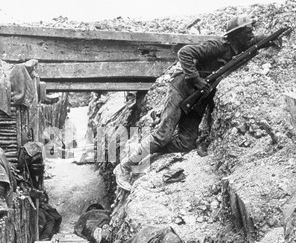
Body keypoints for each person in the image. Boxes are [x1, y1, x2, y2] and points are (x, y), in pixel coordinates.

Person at [114, 16, 280, 191]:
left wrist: (273, 37)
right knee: (162, 136)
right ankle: (125, 167)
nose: (251, 34)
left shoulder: (240, 47)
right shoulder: (218, 47)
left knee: (186, 143)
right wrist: (195, 78)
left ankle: (144, 149)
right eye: (248, 31)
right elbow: (184, 53)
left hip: (198, 100)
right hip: (182, 90)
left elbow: (256, 41)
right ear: (237, 34)